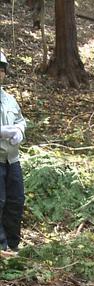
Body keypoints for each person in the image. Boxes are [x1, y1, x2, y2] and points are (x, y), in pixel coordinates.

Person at [0, 52, 26, 258]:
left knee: (16, 201)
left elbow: (20, 120)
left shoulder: (9, 100)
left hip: (12, 160)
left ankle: (13, 245)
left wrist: (19, 131)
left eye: (2, 70)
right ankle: (1, 248)